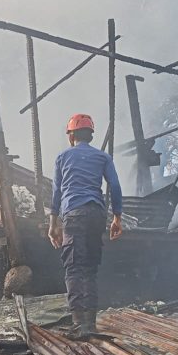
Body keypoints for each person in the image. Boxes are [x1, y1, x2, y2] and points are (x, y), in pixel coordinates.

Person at [48, 113, 122, 338]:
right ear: (90, 135)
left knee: (74, 267)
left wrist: (53, 224)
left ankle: (80, 325)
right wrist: (117, 217)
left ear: (71, 136)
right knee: (89, 267)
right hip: (97, 214)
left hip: (74, 214)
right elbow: (115, 186)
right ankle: (89, 323)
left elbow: (57, 192)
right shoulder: (102, 157)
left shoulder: (62, 157)